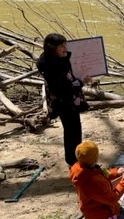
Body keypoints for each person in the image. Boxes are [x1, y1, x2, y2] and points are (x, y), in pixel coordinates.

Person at [36, 33, 90, 166]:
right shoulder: (51, 65)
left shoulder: (55, 59)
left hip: (67, 100)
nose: (64, 49)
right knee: (72, 130)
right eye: (61, 46)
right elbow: (64, 87)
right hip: (64, 102)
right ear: (52, 48)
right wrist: (82, 81)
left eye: (65, 45)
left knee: (74, 129)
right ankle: (73, 160)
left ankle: (75, 158)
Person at [68, 140, 124, 219]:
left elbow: (101, 173)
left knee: (120, 211)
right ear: (95, 158)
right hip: (100, 215)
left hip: (92, 206)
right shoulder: (94, 182)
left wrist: (116, 172)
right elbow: (111, 199)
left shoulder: (79, 168)